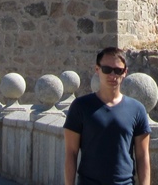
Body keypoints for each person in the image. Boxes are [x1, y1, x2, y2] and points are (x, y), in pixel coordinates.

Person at [63, 47, 150, 185]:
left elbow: (142, 156)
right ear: (97, 69)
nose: (112, 75)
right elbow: (71, 153)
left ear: (125, 72)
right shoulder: (80, 107)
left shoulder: (137, 109)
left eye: (118, 70)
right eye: (107, 70)